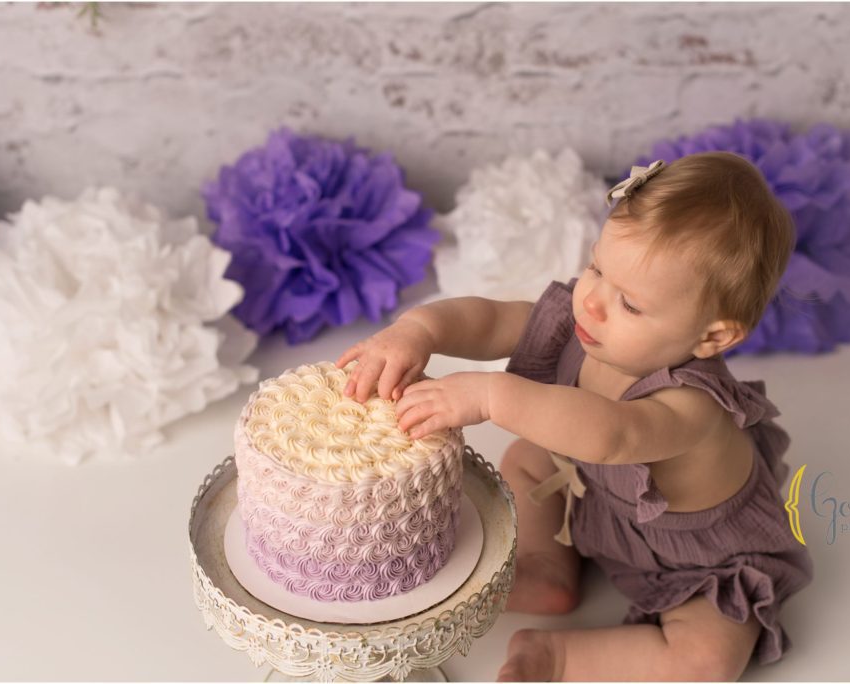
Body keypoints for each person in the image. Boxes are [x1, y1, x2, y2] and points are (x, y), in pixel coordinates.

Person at [335, 151, 814, 681]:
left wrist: (493, 395)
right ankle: (547, 570)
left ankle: (557, 657)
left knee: (705, 663)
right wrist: (418, 330)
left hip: (698, 562)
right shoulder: (586, 324)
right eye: (596, 267)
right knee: (526, 460)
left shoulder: (694, 405)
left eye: (630, 304)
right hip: (599, 502)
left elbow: (612, 434)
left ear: (712, 336)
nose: (592, 303)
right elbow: (493, 318)